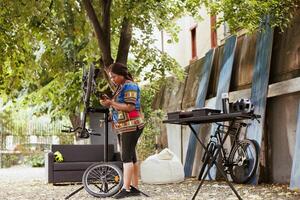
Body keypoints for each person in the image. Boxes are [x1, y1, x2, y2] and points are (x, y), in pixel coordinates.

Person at [100, 62, 145, 199]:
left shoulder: (130, 85)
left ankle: (126, 189)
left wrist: (111, 103)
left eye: (113, 76)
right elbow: (120, 106)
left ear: (121, 74)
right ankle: (135, 188)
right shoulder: (121, 86)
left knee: (126, 157)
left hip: (131, 125)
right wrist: (110, 107)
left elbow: (130, 107)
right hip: (126, 125)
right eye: (111, 77)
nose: (112, 79)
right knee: (131, 157)